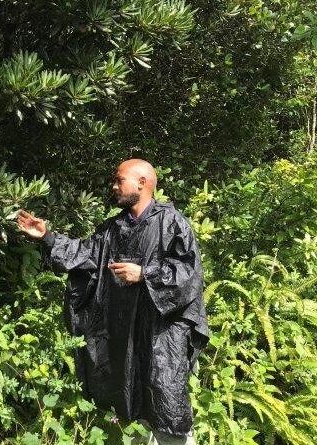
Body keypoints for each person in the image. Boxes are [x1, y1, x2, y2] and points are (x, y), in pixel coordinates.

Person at [17, 159, 208, 445]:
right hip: (125, 335)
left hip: (162, 336)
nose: (114, 186)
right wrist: (47, 237)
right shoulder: (113, 228)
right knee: (132, 401)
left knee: (166, 401)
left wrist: (145, 274)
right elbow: (84, 254)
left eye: (120, 180)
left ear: (142, 183)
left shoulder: (172, 223)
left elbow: (188, 275)